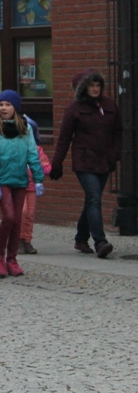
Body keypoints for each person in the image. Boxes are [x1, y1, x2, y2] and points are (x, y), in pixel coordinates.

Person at [50, 69, 122, 259]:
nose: (96, 89)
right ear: (83, 88)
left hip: (105, 161)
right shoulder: (74, 109)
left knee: (92, 200)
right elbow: (64, 139)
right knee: (94, 198)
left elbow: (118, 132)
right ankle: (100, 242)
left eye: (98, 85)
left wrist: (115, 154)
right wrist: (57, 164)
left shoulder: (110, 105)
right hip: (84, 161)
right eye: (91, 85)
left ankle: (81, 237)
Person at [0, 90, 44, 277]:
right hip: (2, 180)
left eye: (7, 105)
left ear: (15, 108)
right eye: (1, 105)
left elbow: (33, 154)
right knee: (8, 217)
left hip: (20, 179)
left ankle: (12, 259)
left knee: (17, 221)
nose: (3, 108)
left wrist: (38, 178)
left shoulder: (25, 130)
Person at [19, 116, 51, 255]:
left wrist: (48, 169)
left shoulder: (37, 149)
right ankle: (18, 239)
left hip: (32, 186)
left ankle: (27, 240)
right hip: (18, 185)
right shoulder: (16, 147)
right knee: (22, 212)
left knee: (30, 214)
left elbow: (44, 163)